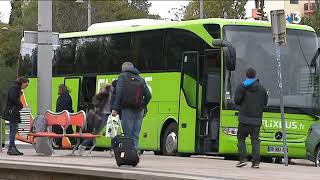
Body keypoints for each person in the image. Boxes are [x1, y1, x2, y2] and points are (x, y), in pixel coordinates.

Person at [111, 62, 151, 151]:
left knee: (127, 134)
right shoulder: (141, 79)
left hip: (127, 108)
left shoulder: (122, 76)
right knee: (135, 134)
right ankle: (134, 153)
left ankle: (127, 154)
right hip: (139, 109)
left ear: (123, 69)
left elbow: (119, 93)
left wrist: (115, 109)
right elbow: (148, 95)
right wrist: (143, 105)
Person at [234, 68, 268, 168]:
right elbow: (265, 103)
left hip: (244, 119)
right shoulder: (262, 89)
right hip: (256, 121)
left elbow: (237, 100)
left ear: (246, 75)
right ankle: (256, 162)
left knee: (241, 138)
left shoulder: (241, 86)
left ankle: (243, 159)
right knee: (255, 140)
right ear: (255, 75)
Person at [78, 81, 116, 155]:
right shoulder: (107, 90)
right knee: (97, 132)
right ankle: (82, 146)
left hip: (112, 114)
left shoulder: (117, 92)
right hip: (103, 114)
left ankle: (113, 149)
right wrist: (97, 106)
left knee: (113, 132)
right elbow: (95, 99)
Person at [3, 77, 29, 155]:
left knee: (13, 130)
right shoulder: (15, 88)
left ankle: (12, 147)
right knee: (13, 130)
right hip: (13, 112)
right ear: (23, 82)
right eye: (26, 85)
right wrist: (20, 105)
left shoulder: (15, 87)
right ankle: (11, 148)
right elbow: (12, 97)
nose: (26, 87)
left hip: (13, 111)